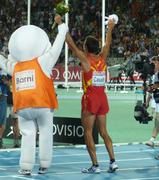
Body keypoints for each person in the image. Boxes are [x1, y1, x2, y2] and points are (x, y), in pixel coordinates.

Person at [0, 15, 68, 175]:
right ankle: (44, 164)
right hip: (43, 104)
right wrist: (62, 29)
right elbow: (57, 47)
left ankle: (26, 166)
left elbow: (0, 60)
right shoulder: (43, 61)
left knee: (28, 134)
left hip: (23, 106)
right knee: (46, 132)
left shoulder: (16, 66)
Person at [65, 18, 118, 173]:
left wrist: (62, 28)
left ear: (87, 48)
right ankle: (113, 162)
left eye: (84, 45)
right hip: (102, 98)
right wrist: (110, 28)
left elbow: (72, 46)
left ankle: (95, 166)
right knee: (104, 132)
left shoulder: (86, 60)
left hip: (91, 98)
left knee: (88, 132)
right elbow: (107, 44)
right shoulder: (102, 58)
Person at [145, 56, 159, 148]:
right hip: (154, 103)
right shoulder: (152, 76)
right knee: (158, 122)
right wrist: (146, 103)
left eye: (154, 63)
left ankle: (152, 139)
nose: (152, 66)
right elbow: (150, 92)